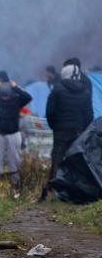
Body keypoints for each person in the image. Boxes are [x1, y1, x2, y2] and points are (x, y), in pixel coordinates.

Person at [42, 58, 94, 200]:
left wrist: (55, 126)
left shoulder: (57, 89)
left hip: (60, 130)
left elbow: (50, 112)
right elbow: (88, 113)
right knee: (75, 159)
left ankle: (53, 190)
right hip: (78, 130)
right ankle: (75, 191)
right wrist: (84, 129)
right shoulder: (85, 89)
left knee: (57, 158)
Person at [0, 78, 32, 188]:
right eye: (3, 96)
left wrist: (15, 87)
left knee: (14, 159)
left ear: (10, 94)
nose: (4, 98)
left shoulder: (17, 99)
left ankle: (15, 183)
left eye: (6, 96)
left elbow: (28, 97)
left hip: (13, 133)